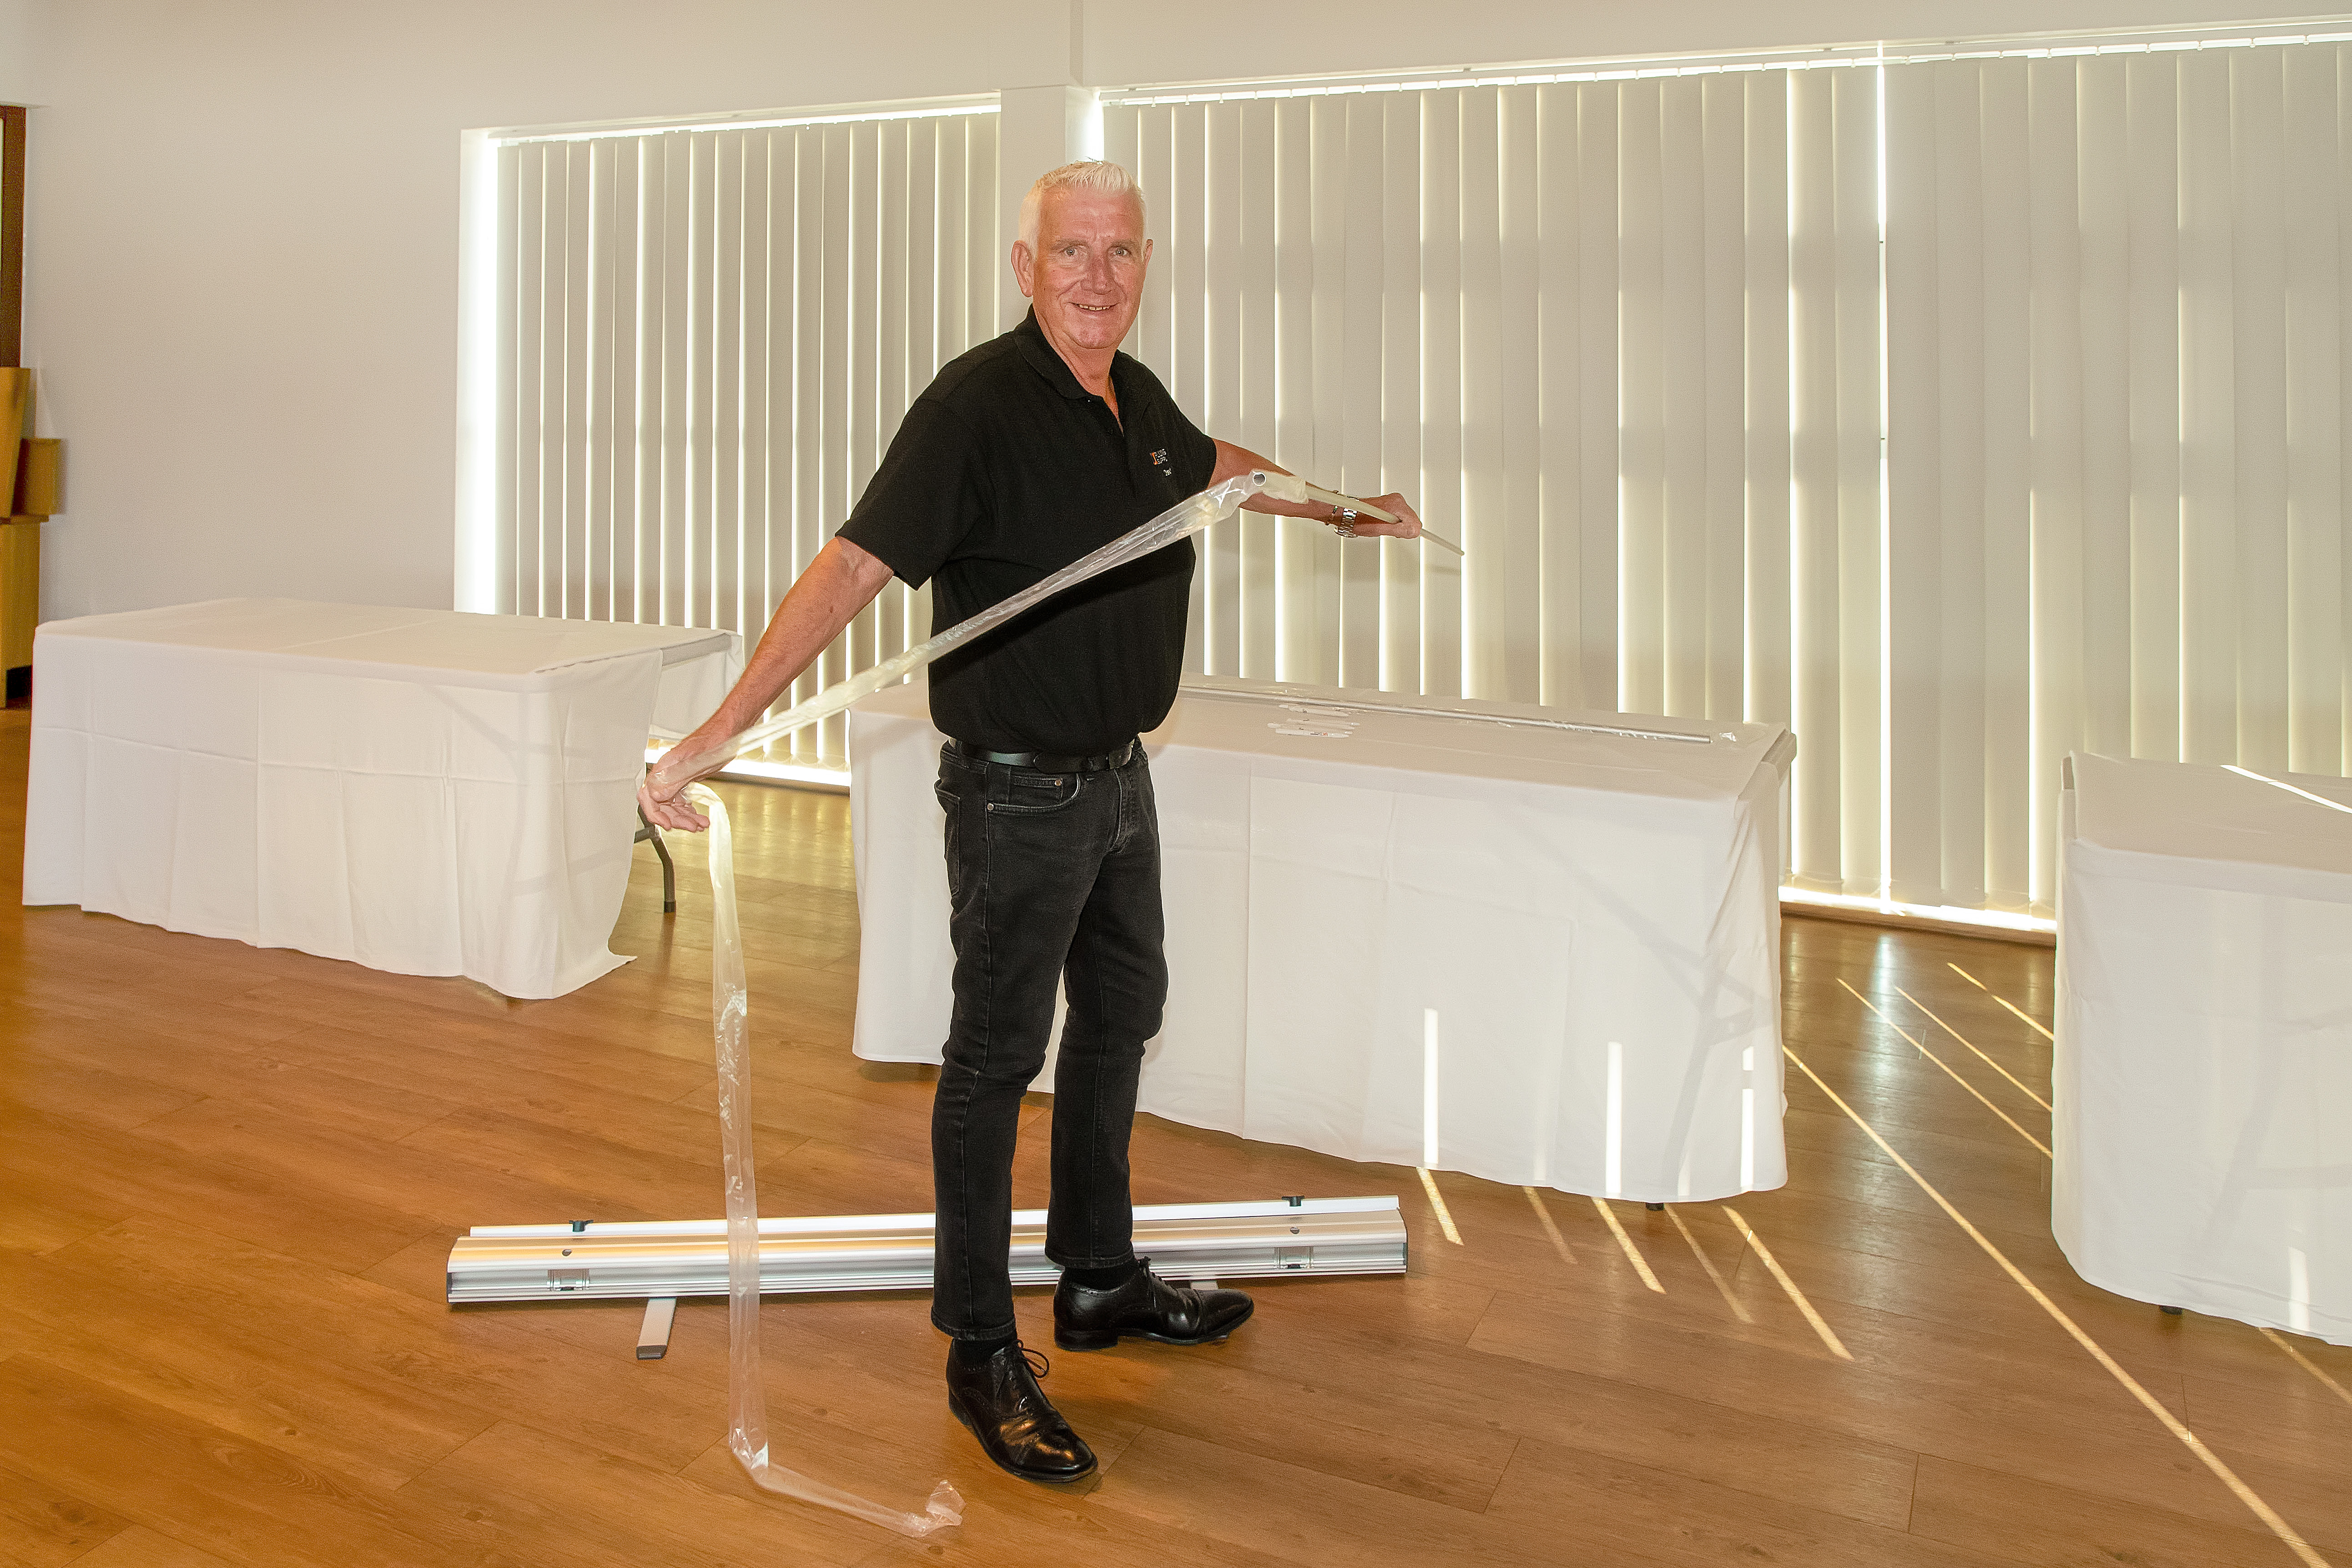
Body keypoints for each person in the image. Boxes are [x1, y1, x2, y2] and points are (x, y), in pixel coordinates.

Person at [640, 160, 1424, 1484]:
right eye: (1071, 251)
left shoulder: (1133, 398)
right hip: (1018, 794)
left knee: (1121, 1016)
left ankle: (1099, 1278)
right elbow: (855, 563)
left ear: (1145, 263)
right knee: (994, 1061)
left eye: (1119, 251)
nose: (1096, 277)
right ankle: (977, 1352)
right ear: (1024, 266)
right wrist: (719, 728)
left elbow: (1220, 471)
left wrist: (1338, 508)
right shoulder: (976, 407)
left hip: (1118, 779)